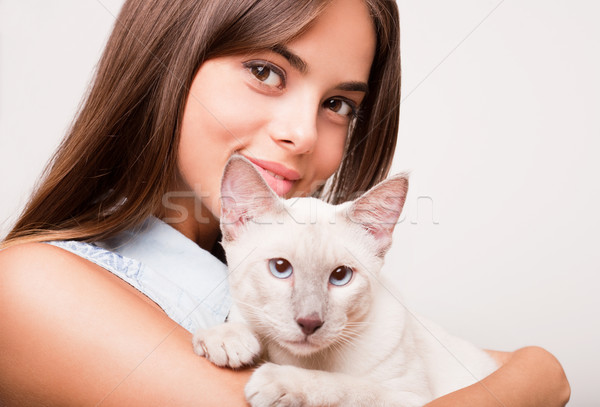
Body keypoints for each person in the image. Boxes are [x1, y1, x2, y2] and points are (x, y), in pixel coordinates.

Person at [0, 0, 570, 405]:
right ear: (162, 62)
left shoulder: (302, 279)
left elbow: (474, 367)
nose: (303, 133)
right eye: (266, 71)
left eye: (340, 105)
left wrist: (535, 370)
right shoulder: (28, 286)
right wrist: (538, 376)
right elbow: (519, 375)